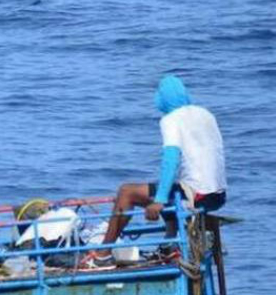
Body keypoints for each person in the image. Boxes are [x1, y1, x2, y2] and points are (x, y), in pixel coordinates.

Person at [81, 75, 228, 269]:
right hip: (217, 195)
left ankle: (102, 255)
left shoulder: (171, 119)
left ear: (164, 97)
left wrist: (158, 200)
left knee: (127, 192)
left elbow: (171, 159)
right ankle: (169, 244)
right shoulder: (206, 114)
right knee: (170, 190)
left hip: (196, 195)